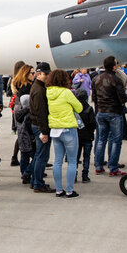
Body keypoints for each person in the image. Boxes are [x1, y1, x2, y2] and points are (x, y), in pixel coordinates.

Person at [46, 69, 83, 198]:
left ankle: (58, 189)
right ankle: (69, 190)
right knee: (72, 161)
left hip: (55, 129)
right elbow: (79, 107)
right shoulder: (67, 92)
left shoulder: (48, 92)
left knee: (57, 161)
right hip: (68, 128)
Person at [92, 56, 127, 177]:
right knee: (116, 141)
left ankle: (98, 165)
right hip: (114, 112)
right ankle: (113, 167)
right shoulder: (115, 80)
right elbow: (122, 98)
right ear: (114, 66)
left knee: (101, 139)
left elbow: (94, 98)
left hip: (101, 111)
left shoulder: (96, 79)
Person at [28, 62, 54, 192]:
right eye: (46, 74)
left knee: (39, 155)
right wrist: (44, 132)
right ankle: (38, 183)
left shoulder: (38, 87)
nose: (48, 76)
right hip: (40, 126)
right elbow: (41, 113)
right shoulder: (39, 90)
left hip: (38, 125)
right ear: (39, 74)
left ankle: (35, 181)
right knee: (42, 156)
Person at [10, 64, 33, 167]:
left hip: (17, 109)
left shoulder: (16, 82)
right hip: (23, 111)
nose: (34, 75)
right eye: (32, 73)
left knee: (22, 137)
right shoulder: (26, 86)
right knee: (25, 138)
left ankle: (16, 159)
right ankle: (30, 167)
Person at [74, 89, 96, 183]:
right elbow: (93, 123)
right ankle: (85, 175)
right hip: (88, 135)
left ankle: (74, 175)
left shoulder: (74, 108)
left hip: (77, 135)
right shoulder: (89, 108)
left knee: (75, 157)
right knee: (86, 156)